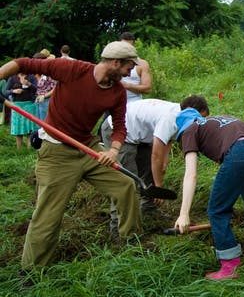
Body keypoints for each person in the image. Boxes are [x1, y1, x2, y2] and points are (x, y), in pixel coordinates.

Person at [0, 41, 142, 268]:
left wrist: (113, 151)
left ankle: (129, 244)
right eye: (128, 67)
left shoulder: (117, 92)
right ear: (115, 63)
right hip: (56, 151)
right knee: (48, 215)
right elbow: (22, 63)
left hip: (88, 148)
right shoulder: (73, 70)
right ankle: (31, 271)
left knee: (125, 186)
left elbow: (119, 127)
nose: (130, 71)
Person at [173, 95, 244, 280]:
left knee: (217, 211)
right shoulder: (215, 120)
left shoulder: (188, 130)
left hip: (241, 152)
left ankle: (230, 266)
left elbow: (191, 174)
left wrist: (184, 213)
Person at [101, 98, 204, 234]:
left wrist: (163, 164)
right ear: (191, 112)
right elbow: (156, 155)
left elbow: (167, 142)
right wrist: (158, 187)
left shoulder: (180, 116)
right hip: (118, 132)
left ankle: (148, 210)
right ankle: (118, 228)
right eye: (200, 118)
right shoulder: (170, 119)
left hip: (141, 134)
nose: (199, 123)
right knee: (127, 181)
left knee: (150, 170)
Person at [8, 71, 38, 148]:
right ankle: (19, 150)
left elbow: (37, 89)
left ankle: (29, 149)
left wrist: (29, 84)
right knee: (17, 128)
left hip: (29, 105)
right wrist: (13, 91)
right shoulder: (12, 78)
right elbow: (5, 91)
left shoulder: (31, 77)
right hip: (17, 105)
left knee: (29, 128)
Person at [119, 32, 152, 102]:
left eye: (129, 46)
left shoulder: (142, 64)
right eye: (123, 46)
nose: (126, 49)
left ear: (133, 46)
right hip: (114, 105)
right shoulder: (113, 62)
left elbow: (147, 88)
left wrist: (126, 85)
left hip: (134, 104)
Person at [33, 52, 57, 121]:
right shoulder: (36, 72)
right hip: (37, 100)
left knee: (45, 125)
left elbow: (55, 88)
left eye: (36, 62)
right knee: (38, 124)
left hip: (47, 101)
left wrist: (44, 96)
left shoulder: (49, 73)